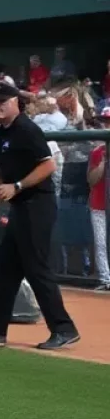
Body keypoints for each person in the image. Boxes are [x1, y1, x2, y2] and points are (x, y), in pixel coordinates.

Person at [0, 81, 80, 350]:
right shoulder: (5, 131)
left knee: (37, 268)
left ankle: (63, 328)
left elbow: (48, 165)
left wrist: (16, 186)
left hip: (37, 204)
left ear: (16, 102)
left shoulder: (26, 129)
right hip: (23, 205)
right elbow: (10, 168)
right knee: (6, 263)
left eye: (3, 101)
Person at [88, 104, 110, 291]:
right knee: (101, 243)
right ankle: (106, 279)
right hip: (99, 204)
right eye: (104, 123)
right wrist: (103, 162)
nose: (106, 126)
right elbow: (92, 180)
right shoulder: (96, 152)